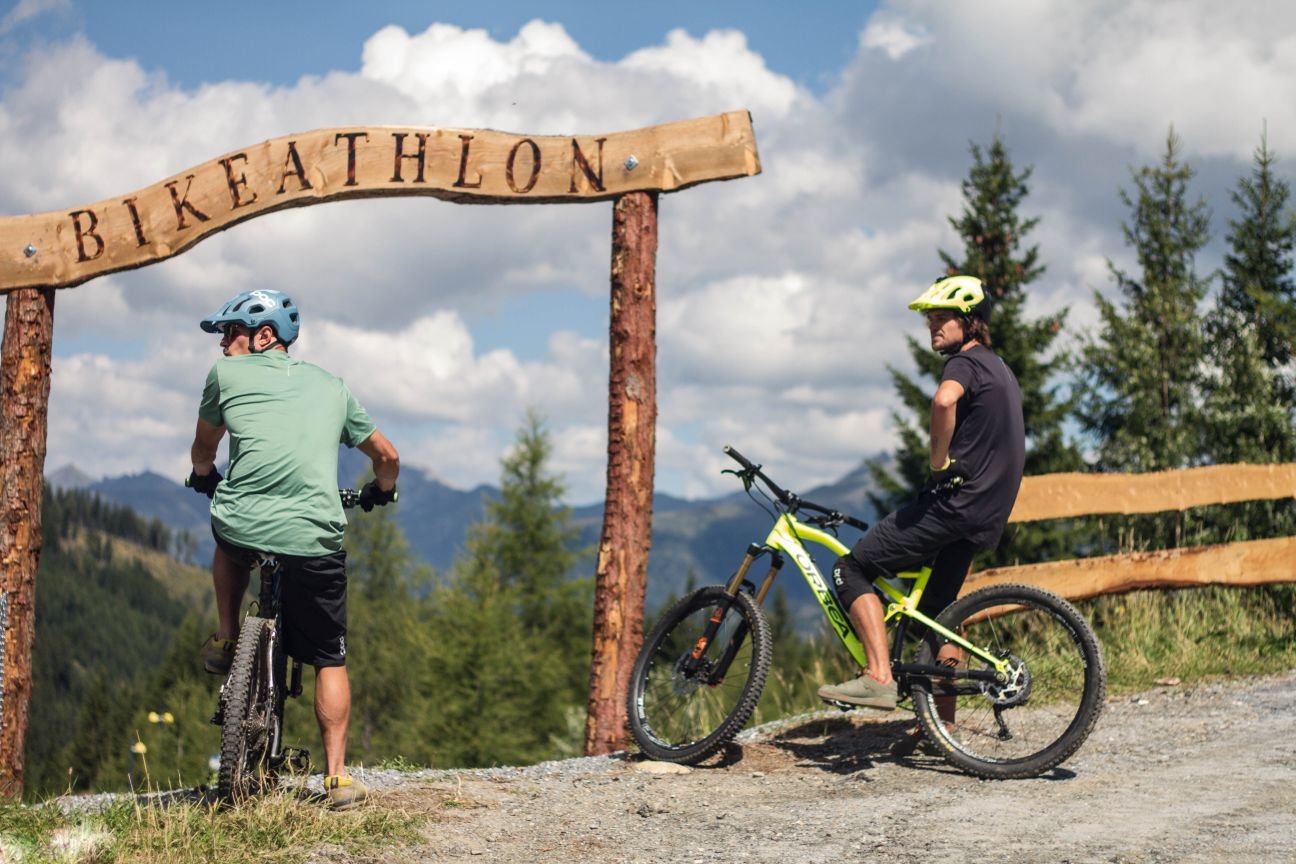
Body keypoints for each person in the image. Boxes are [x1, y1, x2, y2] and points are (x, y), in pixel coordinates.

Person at [187, 288, 399, 809]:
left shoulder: (224, 378)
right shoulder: (332, 386)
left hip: (243, 522)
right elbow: (388, 456)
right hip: (314, 536)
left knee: (229, 538)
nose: (223, 345)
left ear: (264, 336)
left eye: (230, 333)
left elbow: (203, 449)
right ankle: (337, 779)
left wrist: (203, 477)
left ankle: (229, 635)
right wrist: (381, 489)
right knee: (328, 654)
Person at [817, 275, 1025, 754]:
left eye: (940, 317)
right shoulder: (998, 368)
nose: (931, 326)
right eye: (928, 318)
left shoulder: (965, 362)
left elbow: (943, 400)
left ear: (969, 320)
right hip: (986, 512)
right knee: (938, 617)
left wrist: (939, 463)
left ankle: (878, 676)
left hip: (956, 503)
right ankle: (942, 727)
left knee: (851, 567)